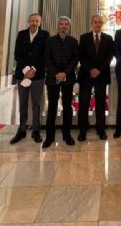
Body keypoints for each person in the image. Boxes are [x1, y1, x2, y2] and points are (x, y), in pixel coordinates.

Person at [10, 13, 49, 144]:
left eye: (37, 21)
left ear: (40, 22)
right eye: (32, 20)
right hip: (22, 75)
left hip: (38, 76)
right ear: (28, 21)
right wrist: (26, 70)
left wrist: (34, 69)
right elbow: (17, 54)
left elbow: (45, 55)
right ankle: (21, 130)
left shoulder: (45, 35)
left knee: (36, 104)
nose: (34, 23)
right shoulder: (21, 34)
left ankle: (36, 131)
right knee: (23, 103)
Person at [77, 15, 114, 141]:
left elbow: (109, 56)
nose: (98, 24)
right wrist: (90, 69)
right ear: (91, 23)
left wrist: (98, 69)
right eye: (95, 22)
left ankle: (101, 129)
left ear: (102, 24)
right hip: (86, 75)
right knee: (83, 103)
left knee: (101, 103)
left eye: (100, 22)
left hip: (101, 75)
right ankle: (83, 130)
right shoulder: (84, 37)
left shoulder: (108, 38)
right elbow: (81, 56)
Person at [43, 16, 78, 148]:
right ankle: (49, 137)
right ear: (58, 26)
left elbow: (75, 60)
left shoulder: (73, 41)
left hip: (68, 78)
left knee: (67, 107)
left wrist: (65, 73)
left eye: (66, 24)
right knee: (52, 107)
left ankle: (67, 135)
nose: (64, 26)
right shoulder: (50, 41)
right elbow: (47, 58)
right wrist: (56, 74)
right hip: (53, 78)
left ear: (69, 26)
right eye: (61, 24)